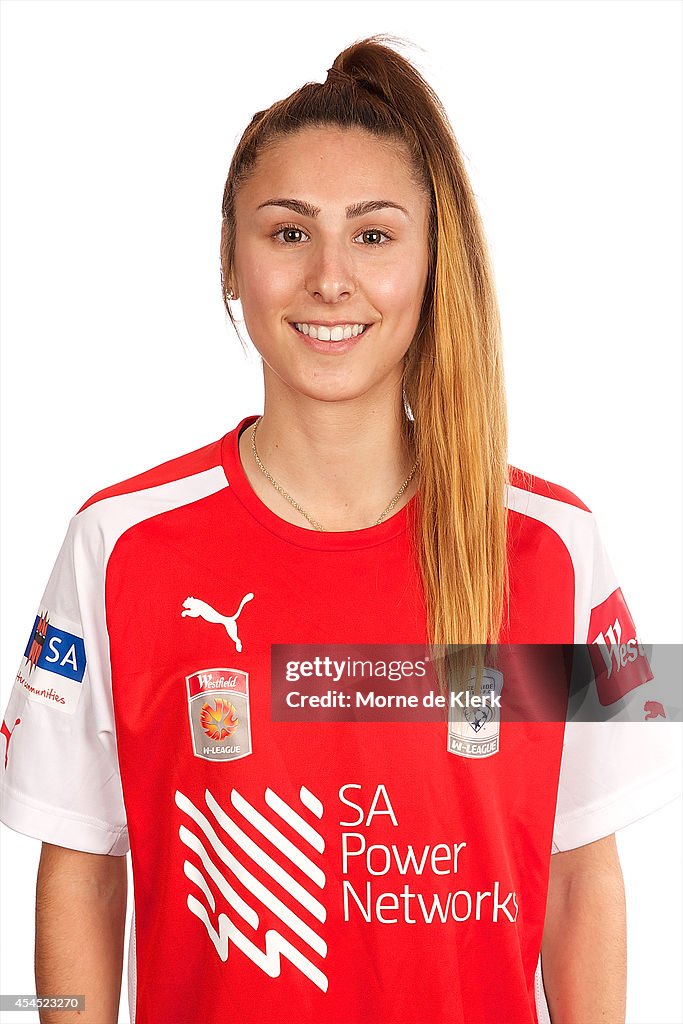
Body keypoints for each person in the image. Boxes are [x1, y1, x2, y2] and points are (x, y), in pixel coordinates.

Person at [0, 33, 680, 1024]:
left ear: (429, 263)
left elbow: (581, 878)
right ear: (231, 263)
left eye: (371, 235)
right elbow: (82, 872)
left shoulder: (556, 546)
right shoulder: (118, 545)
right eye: (286, 233)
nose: (328, 278)